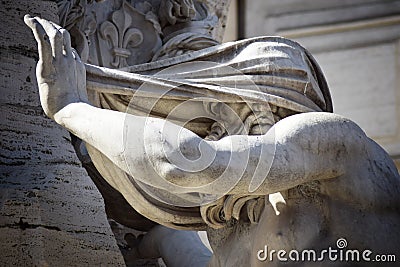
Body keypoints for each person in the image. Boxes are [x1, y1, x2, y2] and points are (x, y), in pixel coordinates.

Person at [25, 15, 400, 266]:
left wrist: (70, 108)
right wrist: (157, 240)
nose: (211, 137)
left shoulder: (332, 144)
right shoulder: (232, 234)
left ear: (265, 107)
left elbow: (186, 163)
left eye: (216, 125)